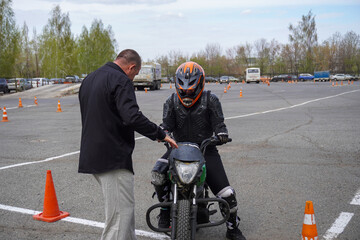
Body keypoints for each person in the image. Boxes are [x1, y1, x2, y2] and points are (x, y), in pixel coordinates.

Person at [78, 49, 178, 240]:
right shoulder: (121, 80)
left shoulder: (90, 79)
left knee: (125, 215)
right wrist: (160, 134)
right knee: (119, 220)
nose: (133, 78)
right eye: (135, 73)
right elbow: (131, 116)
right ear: (131, 67)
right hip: (112, 157)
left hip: (92, 154)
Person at [151, 61, 246, 240]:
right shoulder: (171, 101)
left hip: (206, 150)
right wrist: (162, 132)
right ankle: (165, 210)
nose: (187, 92)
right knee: (157, 173)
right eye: (183, 89)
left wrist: (222, 133)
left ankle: (233, 227)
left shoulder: (211, 100)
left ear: (200, 84)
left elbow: (219, 124)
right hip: (177, 149)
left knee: (226, 193)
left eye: (190, 90)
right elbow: (167, 124)